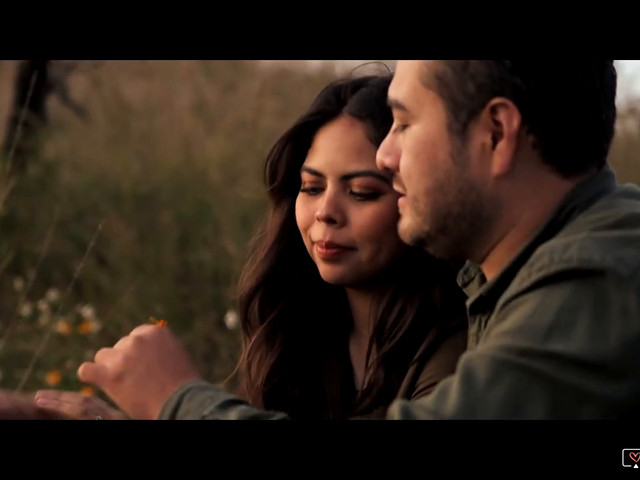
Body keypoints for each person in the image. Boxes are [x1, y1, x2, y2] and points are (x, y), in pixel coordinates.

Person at [54, 59, 640, 421]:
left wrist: (176, 400)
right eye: (311, 187)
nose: (389, 154)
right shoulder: (519, 276)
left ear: (495, 133)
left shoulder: (596, 275)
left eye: (405, 124)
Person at [29, 73, 467, 420]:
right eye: (311, 187)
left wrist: (177, 401)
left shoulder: (461, 347)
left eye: (362, 192)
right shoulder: (301, 329)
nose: (325, 212)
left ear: (416, 198)